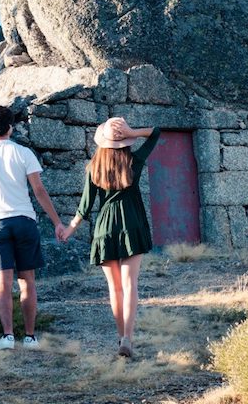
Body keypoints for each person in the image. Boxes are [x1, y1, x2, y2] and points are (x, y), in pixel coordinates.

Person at [62, 117, 160, 358]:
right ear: (124, 142)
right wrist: (134, 131)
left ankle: (120, 339)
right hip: (131, 223)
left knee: (114, 289)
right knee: (130, 285)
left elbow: (84, 207)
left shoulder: (94, 166)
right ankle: (128, 337)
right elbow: (156, 132)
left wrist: (69, 229)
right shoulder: (134, 161)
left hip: (105, 228)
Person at [0, 106, 65, 350]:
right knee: (28, 281)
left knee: (2, 282)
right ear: (10, 127)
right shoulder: (24, 153)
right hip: (25, 221)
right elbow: (39, 191)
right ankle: (30, 337)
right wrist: (57, 222)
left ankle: (8, 336)